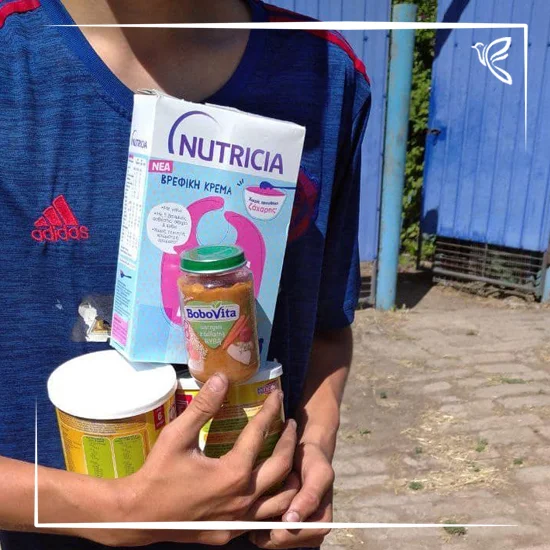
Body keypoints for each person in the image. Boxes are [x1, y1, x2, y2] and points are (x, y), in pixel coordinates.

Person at [0, 0, 371, 549]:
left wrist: (315, 447)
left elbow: (326, 331)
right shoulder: (14, 60)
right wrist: (118, 511)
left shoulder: (327, 74)